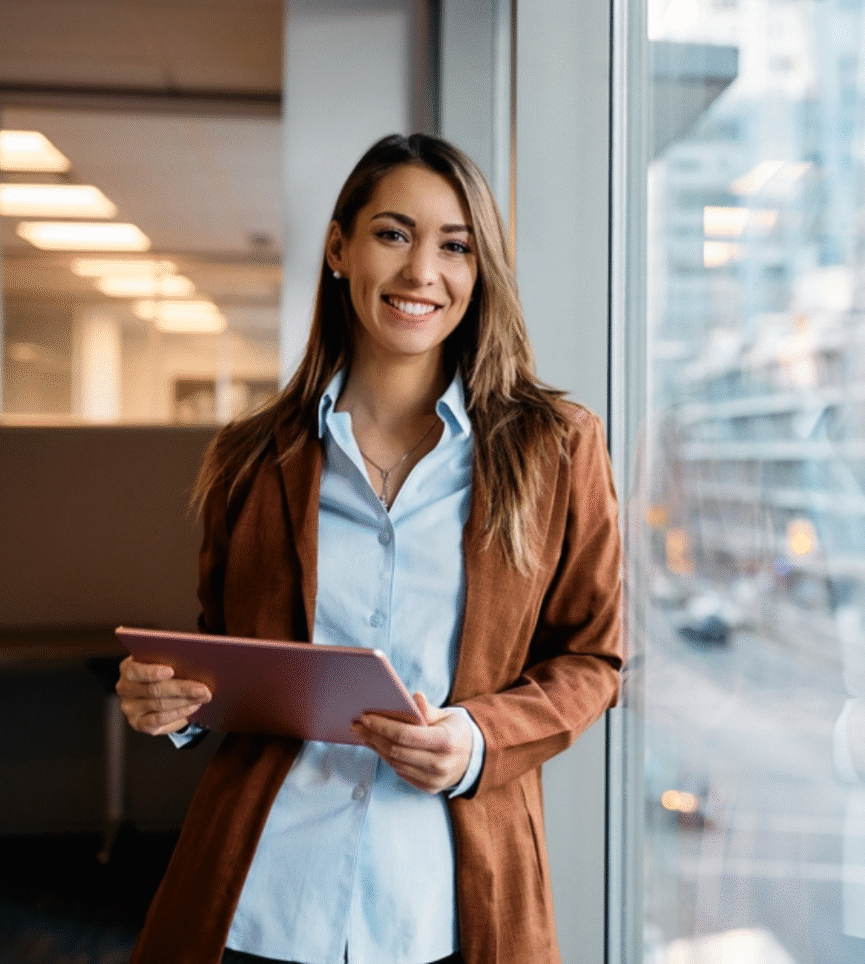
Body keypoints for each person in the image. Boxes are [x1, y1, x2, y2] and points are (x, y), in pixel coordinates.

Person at [116, 133, 623, 964]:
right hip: (264, 901)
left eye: (454, 245)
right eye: (394, 234)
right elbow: (227, 655)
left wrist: (478, 740)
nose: (423, 271)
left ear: (480, 267)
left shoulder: (557, 448)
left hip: (445, 908)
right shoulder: (252, 459)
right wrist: (171, 705)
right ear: (339, 248)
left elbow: (593, 658)